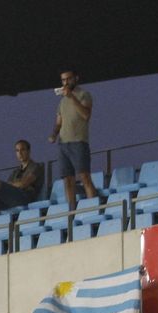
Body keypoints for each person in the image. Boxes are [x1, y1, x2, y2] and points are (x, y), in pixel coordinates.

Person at [49, 67, 96, 210]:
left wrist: (72, 97)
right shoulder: (62, 101)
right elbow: (59, 122)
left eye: (68, 79)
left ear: (76, 78)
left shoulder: (84, 95)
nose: (66, 82)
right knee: (67, 180)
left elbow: (86, 115)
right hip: (63, 144)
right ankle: (72, 212)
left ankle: (93, 209)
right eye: (63, 80)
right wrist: (54, 134)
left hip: (78, 142)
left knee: (84, 177)